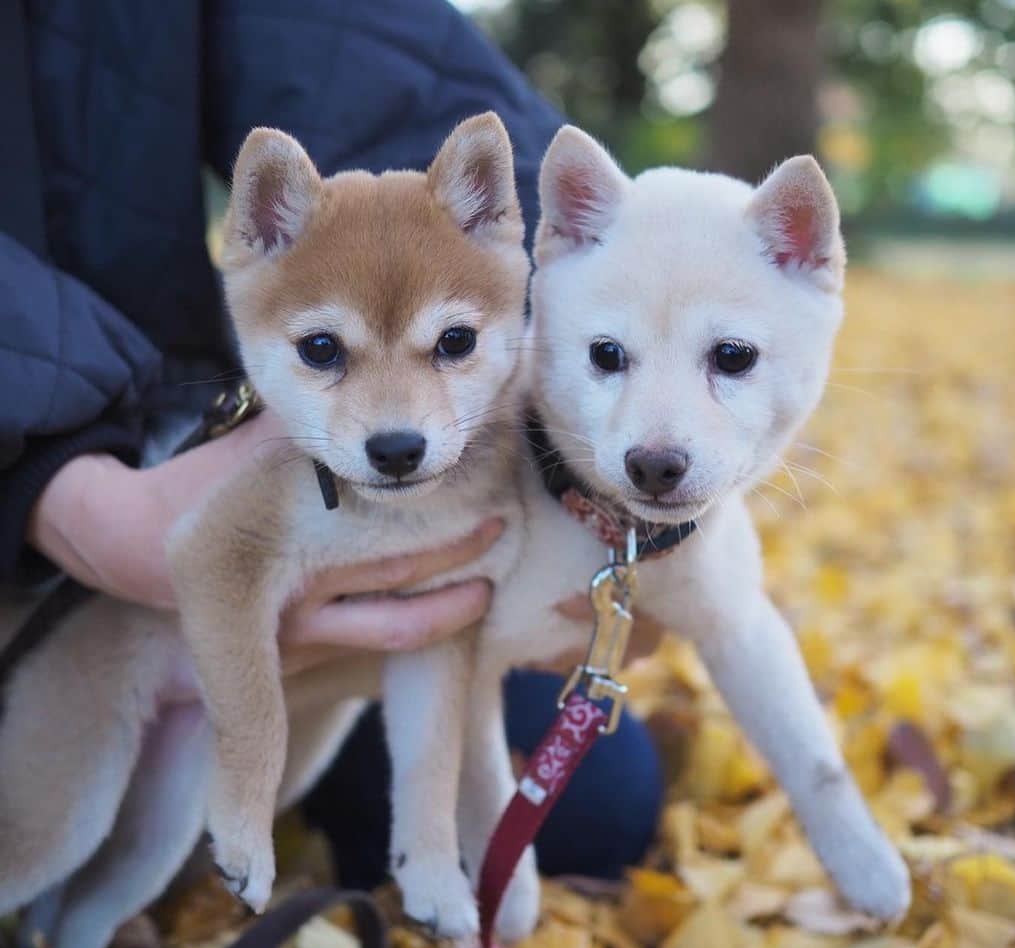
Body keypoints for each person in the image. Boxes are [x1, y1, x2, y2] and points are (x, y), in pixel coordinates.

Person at [0, 0, 661, 890]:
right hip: (64, 491)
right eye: (324, 350)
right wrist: (57, 486)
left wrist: (631, 349)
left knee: (595, 802)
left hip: (178, 417)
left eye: (452, 344)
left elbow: (394, 71)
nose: (397, 423)